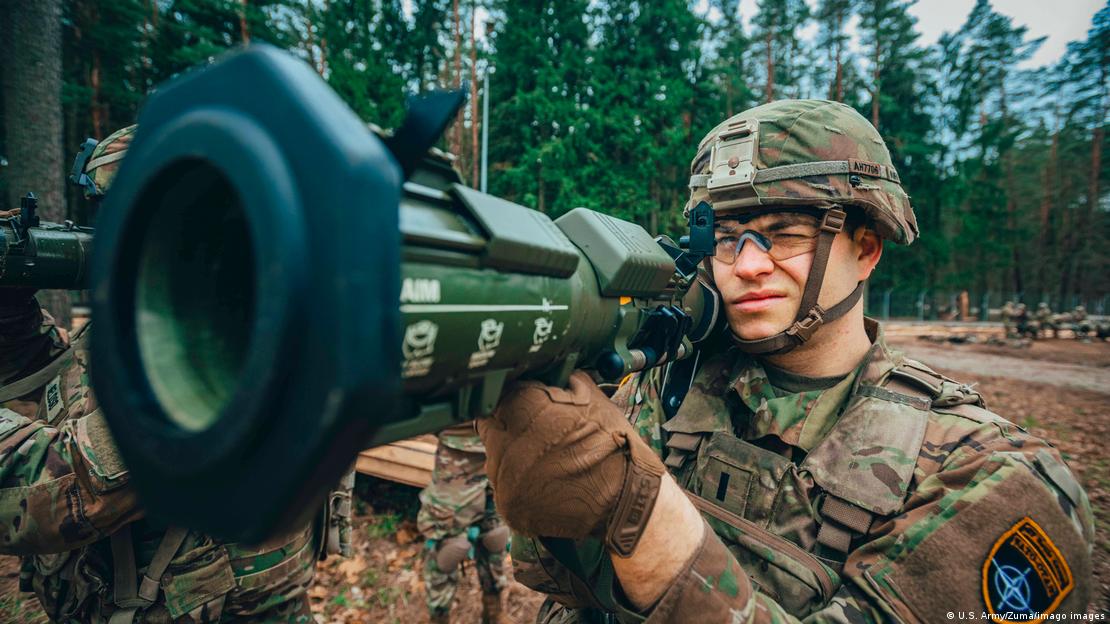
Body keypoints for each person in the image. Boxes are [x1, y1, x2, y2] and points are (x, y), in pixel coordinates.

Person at [477, 100, 1094, 622]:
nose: (746, 264)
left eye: (787, 233)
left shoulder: (988, 475)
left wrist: (639, 514)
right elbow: (558, 591)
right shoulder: (666, 386)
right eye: (725, 237)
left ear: (867, 248)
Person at [0, 126, 353, 623]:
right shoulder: (182, 310)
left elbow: (52, 493)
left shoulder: (217, 357)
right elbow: (58, 385)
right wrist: (12, 318)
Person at [418, 423, 511, 624]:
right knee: (448, 548)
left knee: (496, 536)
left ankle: (494, 611)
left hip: (503, 445)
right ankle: (439, 617)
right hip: (459, 451)